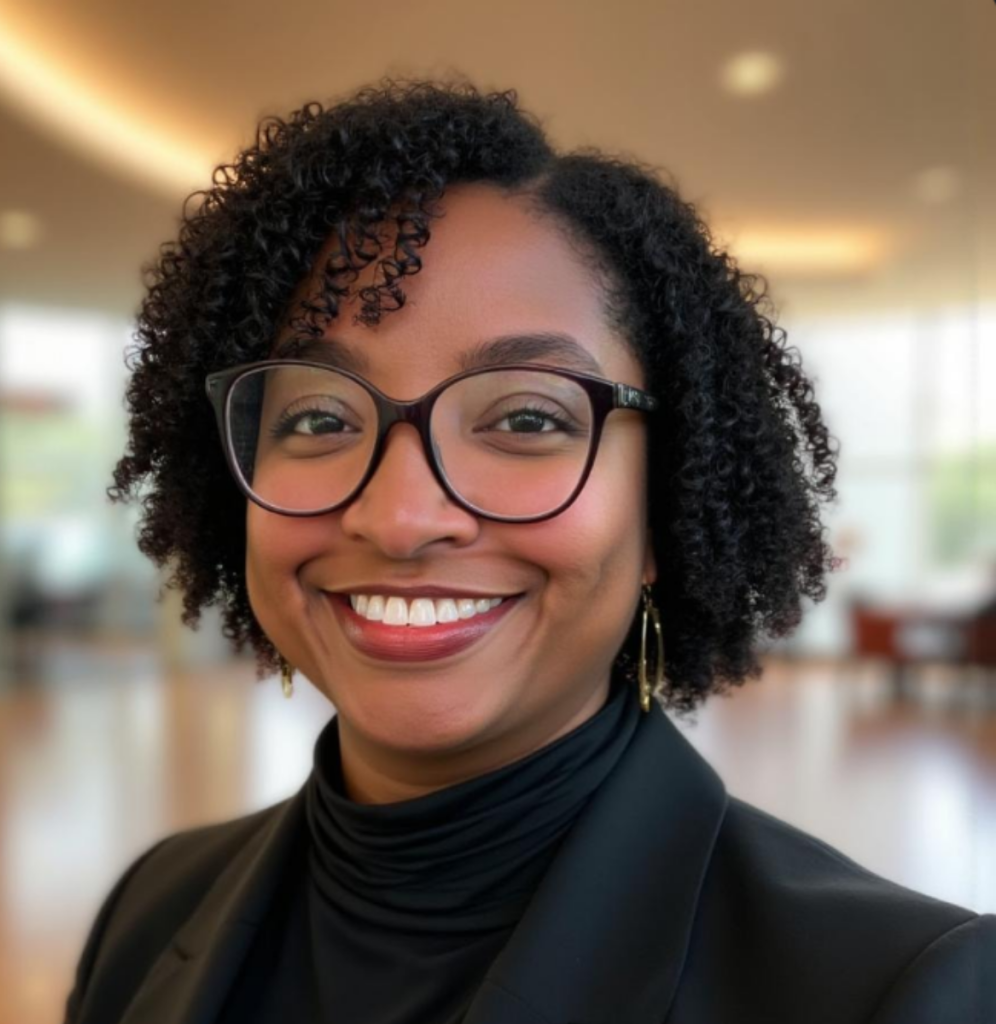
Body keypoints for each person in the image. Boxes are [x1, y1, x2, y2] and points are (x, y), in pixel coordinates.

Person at [63, 78, 994, 1024]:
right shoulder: (150, 911)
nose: (401, 518)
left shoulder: (900, 989)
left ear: (662, 507)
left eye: (525, 418)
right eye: (318, 417)